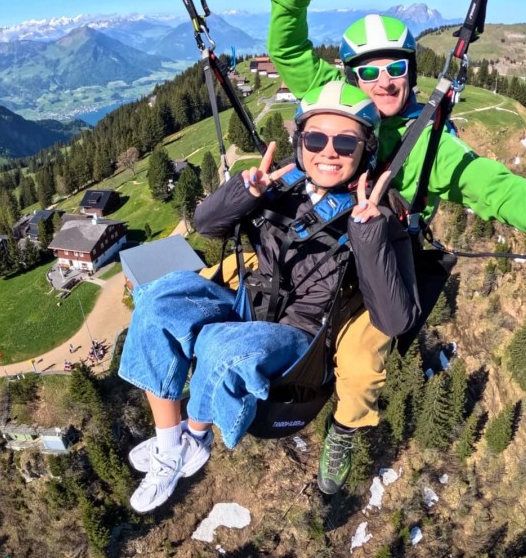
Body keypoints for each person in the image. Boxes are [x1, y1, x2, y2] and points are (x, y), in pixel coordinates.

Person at [266, 0, 526, 494]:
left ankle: (343, 429)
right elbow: (288, 49)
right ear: (349, 76)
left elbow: (497, 189)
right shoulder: (327, 93)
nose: (385, 81)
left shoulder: (428, 144)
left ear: (411, 72)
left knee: (359, 369)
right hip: (313, 245)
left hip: (374, 270)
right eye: (369, 72)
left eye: (397, 69)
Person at [118, 81, 421, 512]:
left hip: (298, 334)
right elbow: (206, 226)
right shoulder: (281, 184)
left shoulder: (381, 211)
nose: (328, 151)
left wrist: (369, 230)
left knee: (223, 347)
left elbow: (393, 319)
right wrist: (245, 193)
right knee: (156, 301)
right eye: (315, 139)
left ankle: (197, 437)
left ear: (365, 150)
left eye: (345, 141)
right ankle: (171, 442)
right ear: (301, 143)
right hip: (249, 300)